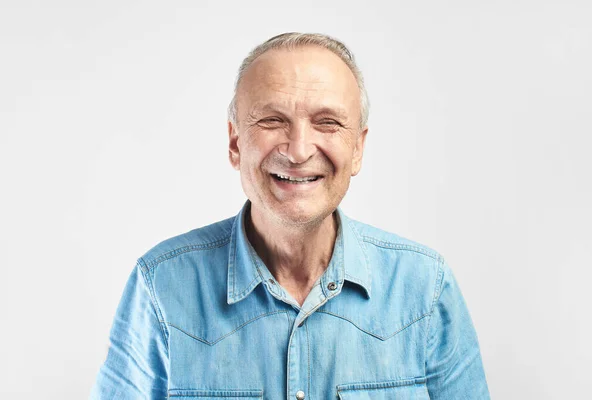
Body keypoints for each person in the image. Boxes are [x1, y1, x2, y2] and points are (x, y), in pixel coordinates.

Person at [90, 32, 490, 399]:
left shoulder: (424, 287)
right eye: (272, 120)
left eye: (327, 123)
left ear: (357, 149)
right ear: (235, 143)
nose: (298, 150)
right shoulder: (161, 285)